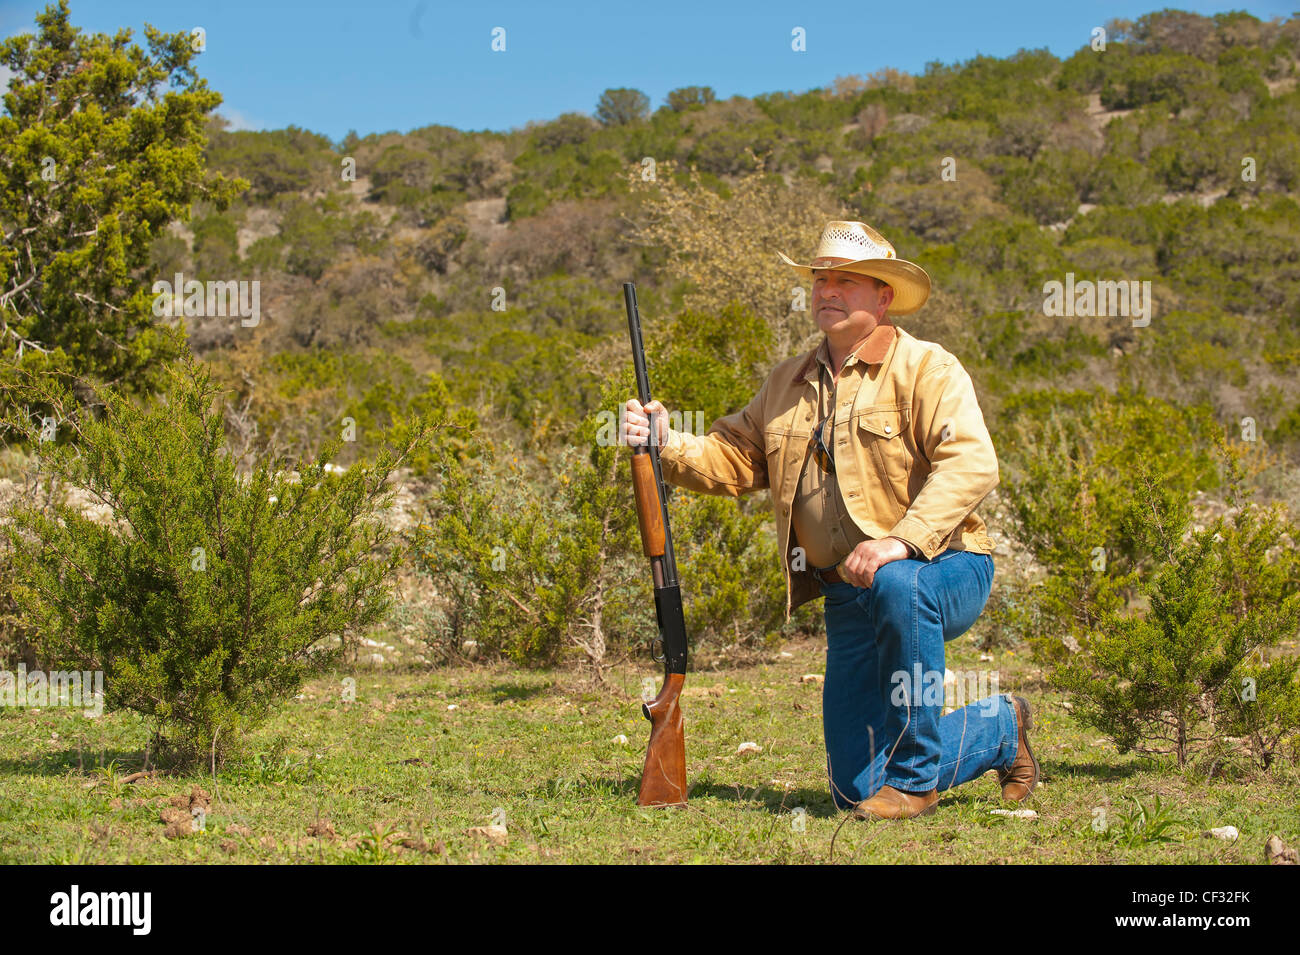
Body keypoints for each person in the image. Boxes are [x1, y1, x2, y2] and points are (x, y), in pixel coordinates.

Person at [621, 220, 1037, 820]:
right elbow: (732, 462)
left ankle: (918, 783)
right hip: (847, 596)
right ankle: (1000, 727)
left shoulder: (928, 368)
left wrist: (902, 541)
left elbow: (972, 464)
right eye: (821, 279)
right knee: (852, 792)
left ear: (884, 296)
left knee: (899, 583)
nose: (827, 290)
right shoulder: (784, 382)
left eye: (846, 280)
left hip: (945, 569)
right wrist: (667, 441)